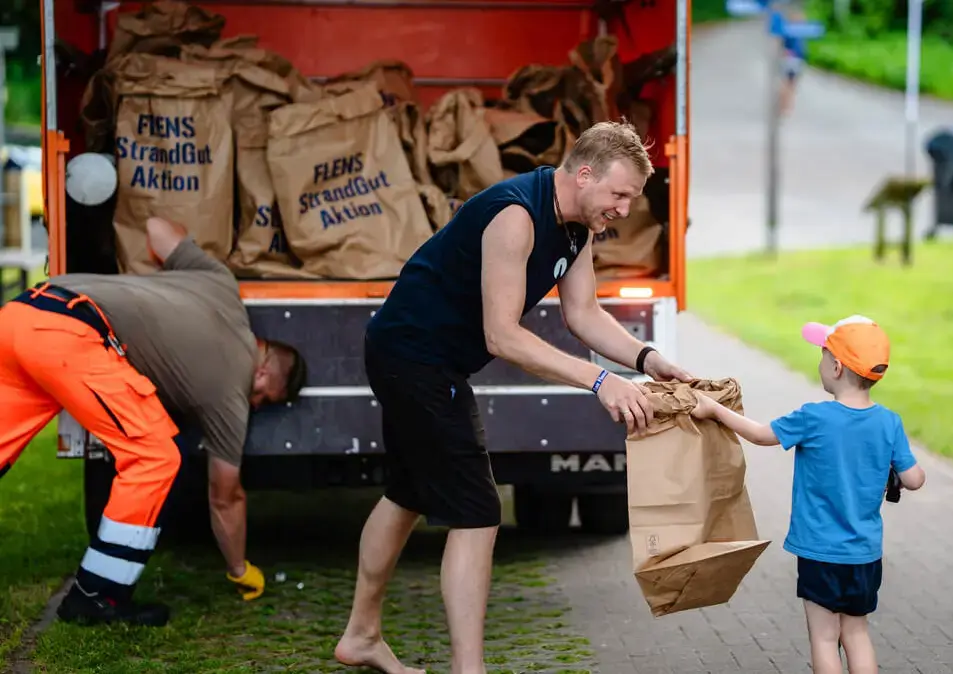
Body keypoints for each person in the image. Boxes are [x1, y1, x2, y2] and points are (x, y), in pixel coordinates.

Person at [334, 120, 693, 674]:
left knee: (408, 491)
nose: (624, 209)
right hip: (414, 358)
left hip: (424, 358)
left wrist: (649, 361)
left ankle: (361, 635)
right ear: (585, 174)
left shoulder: (575, 228)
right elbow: (502, 336)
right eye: (619, 195)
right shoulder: (515, 217)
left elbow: (584, 315)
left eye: (631, 198)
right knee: (478, 512)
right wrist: (599, 381)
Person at [0, 216, 306, 627]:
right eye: (264, 400)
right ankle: (96, 596)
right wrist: (239, 568)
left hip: (23, 313)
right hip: (72, 334)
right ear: (266, 374)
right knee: (155, 457)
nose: (256, 405)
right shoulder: (232, 391)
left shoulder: (220, 284)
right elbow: (225, 497)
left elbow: (157, 227)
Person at [690, 315, 926, 674]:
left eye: (821, 355)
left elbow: (759, 434)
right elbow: (914, 479)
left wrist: (713, 409)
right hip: (864, 554)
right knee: (857, 632)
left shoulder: (814, 418)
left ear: (835, 366)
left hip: (820, 552)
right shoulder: (889, 422)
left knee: (824, 637)